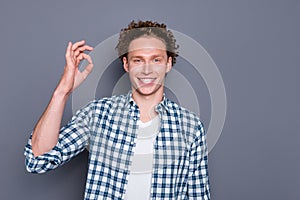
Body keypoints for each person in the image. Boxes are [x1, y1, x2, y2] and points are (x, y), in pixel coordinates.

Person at [24, 20, 210, 199]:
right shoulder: (98, 115)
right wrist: (62, 92)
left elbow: (199, 196)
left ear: (168, 63)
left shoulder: (190, 127)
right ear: (126, 64)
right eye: (138, 60)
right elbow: (38, 160)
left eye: (156, 59)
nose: (147, 70)